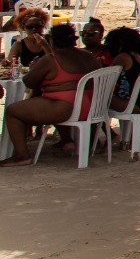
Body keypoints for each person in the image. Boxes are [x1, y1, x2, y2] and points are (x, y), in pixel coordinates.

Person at [2, 24, 105, 165]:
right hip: (92, 107)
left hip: (65, 108)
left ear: (51, 40)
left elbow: (29, 82)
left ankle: (22, 155)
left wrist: (34, 68)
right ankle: (66, 141)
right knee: (50, 99)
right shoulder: (89, 56)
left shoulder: (52, 59)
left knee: (13, 111)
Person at [104, 26, 140, 125]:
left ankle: (109, 134)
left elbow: (107, 76)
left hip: (132, 103)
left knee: (96, 100)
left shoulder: (124, 57)